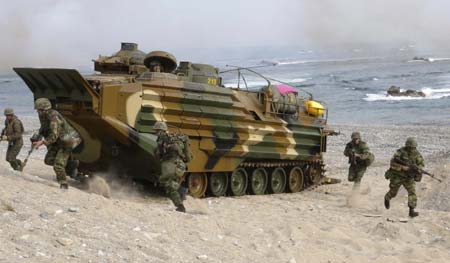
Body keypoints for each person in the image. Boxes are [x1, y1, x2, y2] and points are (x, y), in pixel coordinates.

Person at [32, 98, 81, 190]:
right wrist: (38, 135)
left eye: (38, 110)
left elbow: (54, 135)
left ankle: (63, 184)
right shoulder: (43, 116)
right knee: (48, 160)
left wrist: (42, 142)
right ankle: (71, 164)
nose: (37, 112)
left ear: (44, 109)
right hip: (59, 141)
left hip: (69, 141)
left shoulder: (53, 117)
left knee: (58, 165)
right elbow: (44, 127)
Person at [153, 121, 192, 212]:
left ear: (161, 131)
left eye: (156, 131)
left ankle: (180, 206)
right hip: (180, 165)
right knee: (172, 184)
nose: (155, 133)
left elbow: (158, 155)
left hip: (171, 165)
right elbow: (188, 157)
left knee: (168, 185)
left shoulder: (162, 139)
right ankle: (183, 194)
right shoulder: (178, 138)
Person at [384, 137, 424, 218]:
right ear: (407, 146)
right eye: (411, 147)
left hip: (408, 177)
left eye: (414, 147)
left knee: (412, 192)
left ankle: (411, 211)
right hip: (397, 176)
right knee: (393, 192)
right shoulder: (400, 152)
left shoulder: (417, 154)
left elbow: (421, 163)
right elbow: (392, 163)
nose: (412, 149)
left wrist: (419, 168)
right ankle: (387, 198)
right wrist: (402, 167)